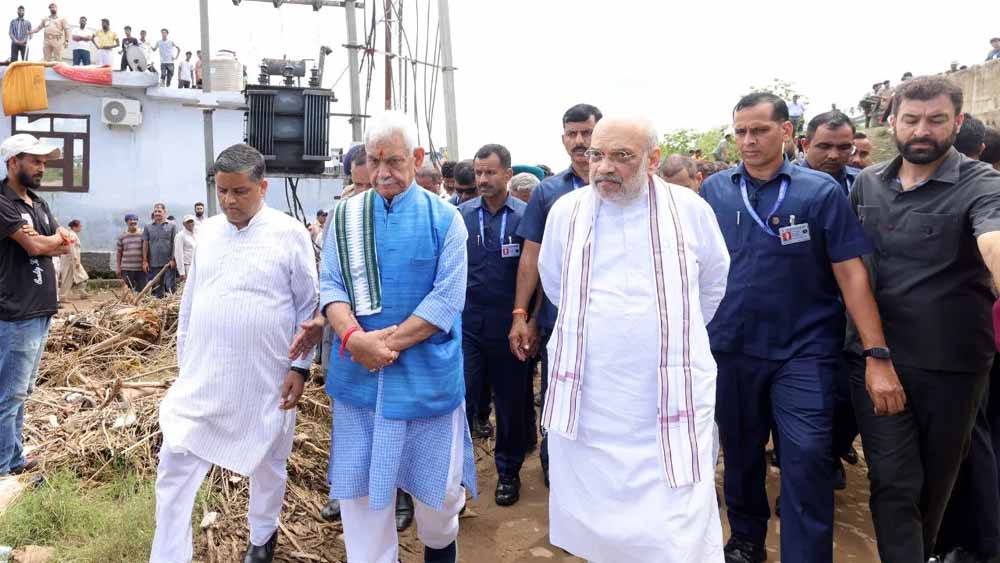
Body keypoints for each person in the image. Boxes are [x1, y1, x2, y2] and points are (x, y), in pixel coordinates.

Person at [701, 92, 895, 563]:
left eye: (759, 130)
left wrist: (876, 354)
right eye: (740, 131)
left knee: (807, 457)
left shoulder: (819, 192)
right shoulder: (715, 191)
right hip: (731, 348)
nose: (748, 140)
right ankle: (746, 540)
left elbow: (851, 273)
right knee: (741, 453)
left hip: (803, 352)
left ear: (786, 131)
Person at [539, 115, 729, 562]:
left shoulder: (689, 210)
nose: (604, 167)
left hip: (671, 392)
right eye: (596, 155)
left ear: (653, 159)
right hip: (594, 396)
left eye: (621, 156)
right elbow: (555, 283)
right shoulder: (566, 212)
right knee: (598, 514)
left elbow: (713, 282)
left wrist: (668, 335)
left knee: (675, 516)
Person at [305, 111, 476, 563]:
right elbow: (332, 286)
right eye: (374, 160)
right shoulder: (345, 217)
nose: (382, 172)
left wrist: (381, 346)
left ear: (417, 159)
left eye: (394, 161)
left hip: (425, 381)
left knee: (439, 502)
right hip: (359, 383)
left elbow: (446, 301)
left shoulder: (445, 219)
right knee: (361, 502)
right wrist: (354, 339)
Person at [848, 75, 1000, 563]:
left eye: (936, 120)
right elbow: (852, 269)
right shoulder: (868, 183)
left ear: (957, 122)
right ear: (892, 121)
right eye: (911, 120)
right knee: (893, 483)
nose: (922, 131)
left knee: (936, 485)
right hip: (877, 360)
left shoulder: (983, 184)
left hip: (953, 368)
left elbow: (994, 240)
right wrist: (872, 354)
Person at [151, 144, 318, 563]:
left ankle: (262, 536)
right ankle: (169, 556)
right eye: (222, 190)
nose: (229, 200)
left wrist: (300, 367)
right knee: (175, 461)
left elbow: (308, 306)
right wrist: (185, 363)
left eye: (239, 191)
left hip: (266, 376)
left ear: (263, 187)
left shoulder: (289, 233)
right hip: (205, 377)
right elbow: (191, 301)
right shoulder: (207, 233)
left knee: (268, 462)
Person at [510, 103, 602, 489]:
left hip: (613, 318)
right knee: (559, 394)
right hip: (560, 320)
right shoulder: (548, 192)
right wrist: (521, 314)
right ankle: (558, 473)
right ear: (563, 139)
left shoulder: (623, 184)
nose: (579, 141)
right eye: (572, 133)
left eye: (587, 133)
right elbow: (531, 258)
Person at [457, 144, 532, 507]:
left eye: (490, 172)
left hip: (510, 326)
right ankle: (456, 476)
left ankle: (508, 472)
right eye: (478, 172)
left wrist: (528, 320)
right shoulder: (461, 216)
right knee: (464, 397)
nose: (483, 179)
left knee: (510, 401)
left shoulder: (525, 217)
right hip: (468, 324)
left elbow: (536, 274)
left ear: (507, 173)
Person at [0, 134, 70, 477]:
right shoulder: (3, 202)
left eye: (44, 162)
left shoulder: (37, 203)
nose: (42, 168)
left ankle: (14, 459)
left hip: (41, 309)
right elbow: (35, 247)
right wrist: (47, 241)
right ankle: (2, 468)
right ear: (13, 163)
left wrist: (48, 241)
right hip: (16, 312)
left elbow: (64, 243)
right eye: (35, 161)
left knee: (22, 392)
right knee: (8, 395)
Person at [801, 110, 861, 196]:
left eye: (843, 147)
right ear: (805, 145)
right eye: (824, 146)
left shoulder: (862, 183)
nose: (833, 156)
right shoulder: (786, 185)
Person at [142, 203, 177, 297]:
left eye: (159, 211)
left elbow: (175, 243)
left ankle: (171, 304)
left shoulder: (172, 226)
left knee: (170, 287)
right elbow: (145, 243)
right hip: (154, 263)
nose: (157, 213)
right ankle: (159, 304)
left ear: (164, 212)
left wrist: (173, 259)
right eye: (155, 211)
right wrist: (145, 261)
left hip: (168, 263)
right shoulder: (148, 226)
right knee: (157, 288)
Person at [57, 219, 88, 300]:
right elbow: (72, 248)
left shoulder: (72, 234)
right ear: (75, 227)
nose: (81, 227)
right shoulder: (72, 235)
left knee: (82, 277)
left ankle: (82, 293)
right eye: (80, 226)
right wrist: (76, 260)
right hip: (71, 260)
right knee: (68, 278)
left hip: (72, 259)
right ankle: (62, 296)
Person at [117, 214, 145, 291]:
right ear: (126, 222)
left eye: (135, 220)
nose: (133, 221)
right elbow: (119, 253)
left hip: (140, 269)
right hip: (126, 268)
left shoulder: (143, 234)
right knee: (127, 291)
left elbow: (147, 250)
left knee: (142, 291)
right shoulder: (122, 236)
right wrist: (118, 267)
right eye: (130, 220)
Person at [172, 215, 196, 281]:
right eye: (188, 222)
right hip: (187, 266)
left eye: (191, 221)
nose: (190, 223)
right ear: (184, 224)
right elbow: (178, 254)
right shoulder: (180, 236)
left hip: (196, 265)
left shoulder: (195, 234)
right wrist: (181, 272)